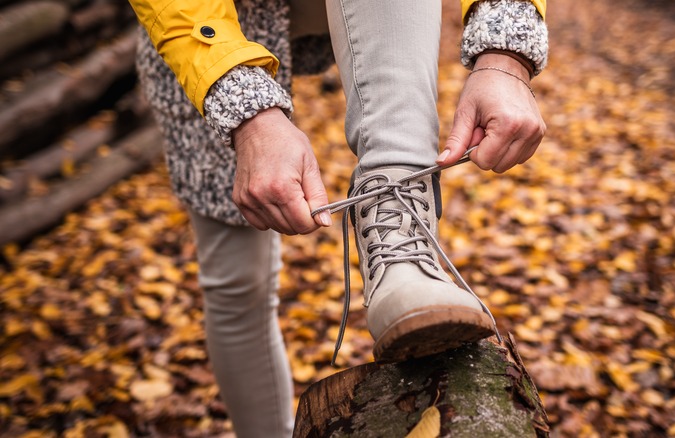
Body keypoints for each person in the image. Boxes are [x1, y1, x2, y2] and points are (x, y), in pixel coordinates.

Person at [130, 0, 548, 435]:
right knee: (236, 279)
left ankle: (399, 240)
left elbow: (505, 44)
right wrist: (245, 114)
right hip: (196, 21)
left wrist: (506, 55)